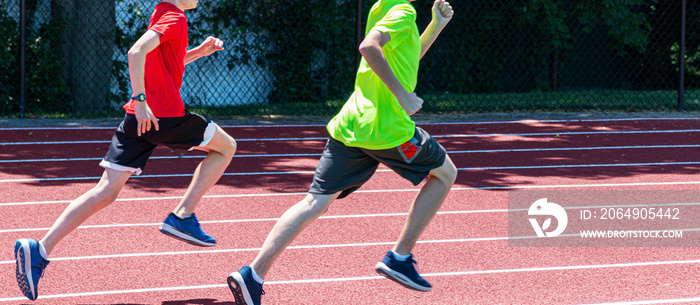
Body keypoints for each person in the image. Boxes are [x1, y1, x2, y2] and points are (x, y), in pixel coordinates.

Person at [227, 0, 456, 304]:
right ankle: (399, 257)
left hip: (352, 125)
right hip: (387, 130)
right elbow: (369, 47)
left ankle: (252, 274)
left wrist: (435, 26)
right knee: (445, 174)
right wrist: (403, 96)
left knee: (314, 202)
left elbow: (404, 60)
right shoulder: (404, 11)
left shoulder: (383, 7)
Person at [14, 0, 237, 301]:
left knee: (105, 192)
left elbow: (163, 65)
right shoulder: (173, 16)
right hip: (162, 116)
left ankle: (38, 250)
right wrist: (142, 99)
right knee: (226, 147)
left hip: (138, 119)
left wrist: (197, 52)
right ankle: (183, 215)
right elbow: (135, 52)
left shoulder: (162, 13)